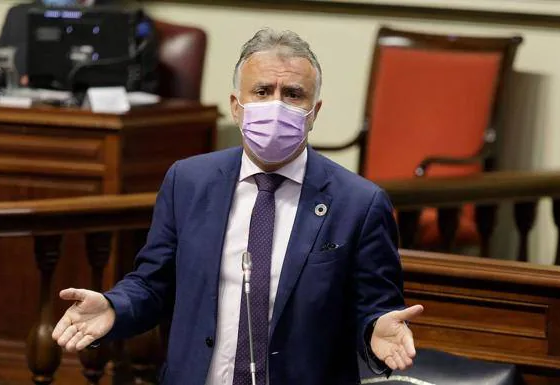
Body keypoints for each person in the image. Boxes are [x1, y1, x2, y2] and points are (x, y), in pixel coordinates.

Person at [52, 28, 424, 385]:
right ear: (236, 106)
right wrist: (114, 308)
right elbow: (153, 284)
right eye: (262, 91)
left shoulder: (359, 203)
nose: (276, 105)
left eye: (293, 94)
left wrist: (377, 330)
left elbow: (375, 309)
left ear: (315, 111)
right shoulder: (188, 182)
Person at [0, 0, 158, 92]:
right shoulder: (18, 15)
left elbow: (147, 86)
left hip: (98, 122)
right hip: (29, 119)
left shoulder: (130, 19)